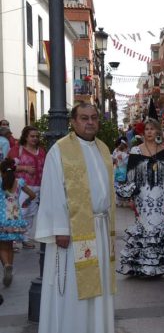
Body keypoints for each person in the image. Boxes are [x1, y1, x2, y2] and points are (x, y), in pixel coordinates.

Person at [35, 103, 116, 333]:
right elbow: (52, 191)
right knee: (73, 290)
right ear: (73, 122)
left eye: (93, 118)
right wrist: (61, 228)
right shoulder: (60, 150)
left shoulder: (103, 148)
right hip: (73, 232)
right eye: (84, 118)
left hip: (100, 228)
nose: (90, 122)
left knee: (98, 286)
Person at [117, 118, 164, 277]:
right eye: (147, 129)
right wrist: (130, 197)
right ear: (143, 132)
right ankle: (142, 266)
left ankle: (163, 265)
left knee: (160, 227)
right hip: (142, 195)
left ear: (158, 131)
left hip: (162, 195)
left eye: (152, 129)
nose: (150, 132)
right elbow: (130, 175)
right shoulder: (136, 150)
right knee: (145, 226)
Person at [7, 125, 46, 248]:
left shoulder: (42, 151)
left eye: (37, 136)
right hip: (22, 187)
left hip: (38, 187)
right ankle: (12, 240)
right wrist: (25, 168)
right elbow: (7, 167)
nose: (35, 138)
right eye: (32, 136)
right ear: (26, 137)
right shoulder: (17, 150)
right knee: (19, 212)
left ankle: (25, 238)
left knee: (30, 213)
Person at [0, 158, 35, 287]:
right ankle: (10, 268)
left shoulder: (0, 182)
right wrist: (26, 202)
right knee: (9, 246)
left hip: (2, 219)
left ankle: (6, 266)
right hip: (16, 219)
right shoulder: (19, 182)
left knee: (2, 246)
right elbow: (32, 195)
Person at [111, 138, 129, 207]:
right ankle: (121, 200)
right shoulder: (125, 155)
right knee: (122, 185)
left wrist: (117, 163)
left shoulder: (117, 152)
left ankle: (118, 200)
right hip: (123, 170)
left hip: (117, 170)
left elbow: (114, 159)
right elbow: (126, 162)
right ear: (125, 148)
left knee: (118, 185)